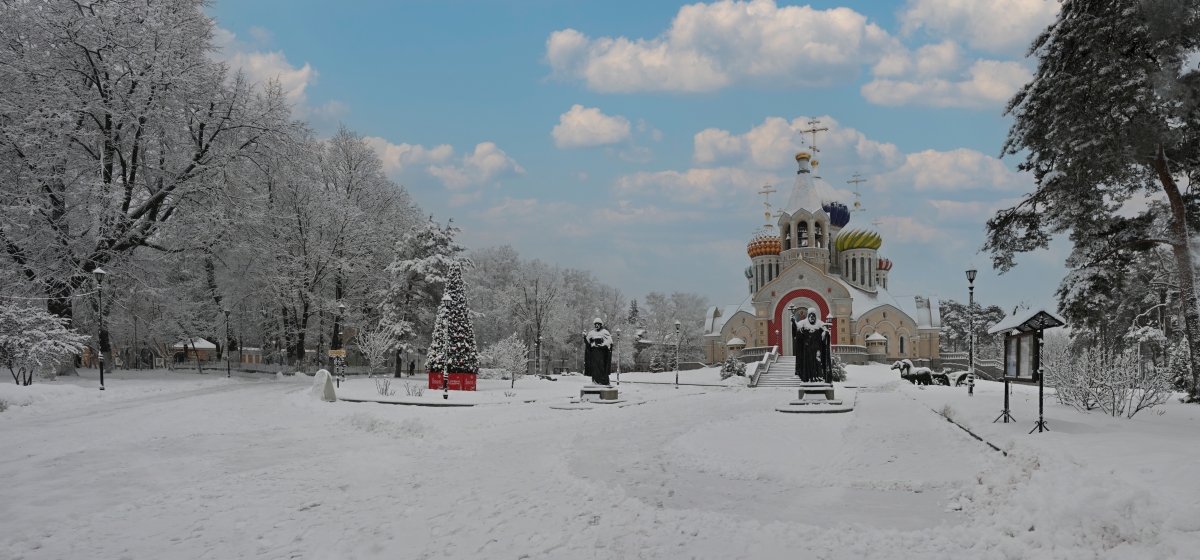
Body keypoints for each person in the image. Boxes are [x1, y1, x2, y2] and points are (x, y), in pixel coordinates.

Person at [793, 309, 830, 382]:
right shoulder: (803, 324)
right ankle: (808, 378)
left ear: (815, 316)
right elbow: (797, 333)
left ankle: (819, 377)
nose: (812, 317)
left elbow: (826, 333)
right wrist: (793, 322)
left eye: (813, 316)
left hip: (817, 348)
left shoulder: (820, 324)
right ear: (808, 316)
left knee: (818, 362)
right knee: (808, 364)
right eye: (810, 316)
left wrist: (825, 334)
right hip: (807, 350)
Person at [583, 318, 614, 386]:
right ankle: (595, 381)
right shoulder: (591, 333)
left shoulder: (605, 332)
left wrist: (602, 344)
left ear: (600, 325)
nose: (597, 326)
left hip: (602, 353)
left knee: (601, 366)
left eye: (598, 324)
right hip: (594, 353)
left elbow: (609, 342)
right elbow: (588, 344)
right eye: (596, 324)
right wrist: (585, 337)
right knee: (594, 367)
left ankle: (604, 381)